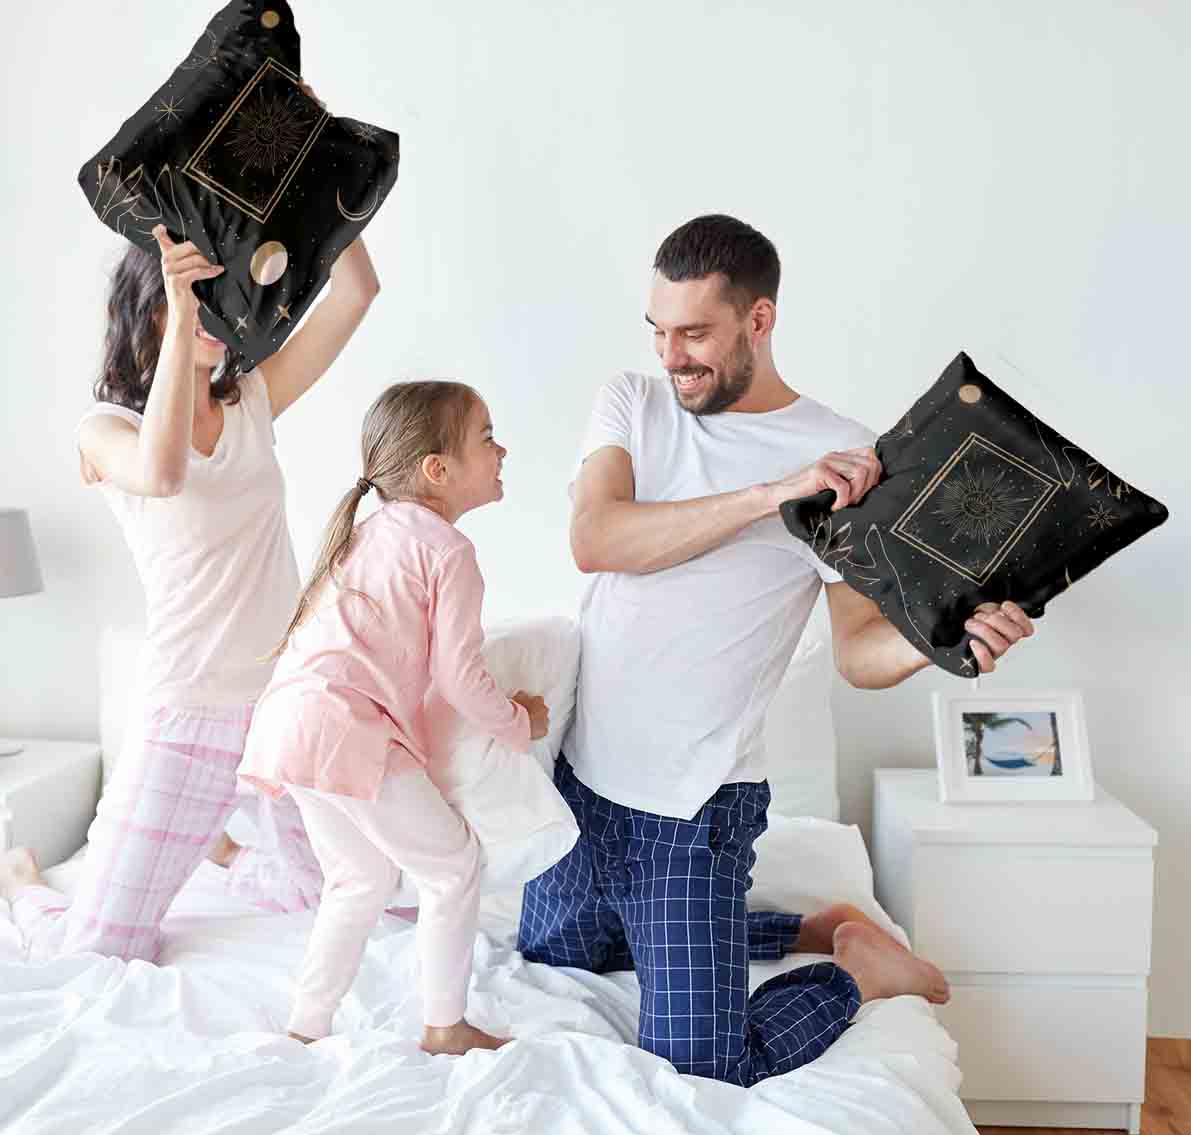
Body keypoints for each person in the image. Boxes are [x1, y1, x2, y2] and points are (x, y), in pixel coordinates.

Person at [518, 213, 1035, 1086]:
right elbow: (596, 538)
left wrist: (947, 648)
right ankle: (804, 925)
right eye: (658, 330)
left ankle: (858, 970)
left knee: (705, 1063)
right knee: (552, 947)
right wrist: (772, 497)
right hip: (587, 778)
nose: (671, 355)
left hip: (692, 811)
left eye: (694, 334)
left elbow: (858, 654)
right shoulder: (634, 401)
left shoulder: (843, 460)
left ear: (758, 321)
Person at [0, 115, 381, 955]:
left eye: (220, 298)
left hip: (282, 701)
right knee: (100, 950)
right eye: (192, 299)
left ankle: (225, 850)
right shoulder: (105, 430)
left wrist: (313, 158)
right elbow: (164, 472)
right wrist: (181, 316)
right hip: (188, 712)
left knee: (335, 894)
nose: (213, 316)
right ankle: (26, 885)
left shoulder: (252, 402)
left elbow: (357, 293)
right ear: (150, 307)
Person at [238, 381, 549, 1056]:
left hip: (289, 723)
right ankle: (444, 1026)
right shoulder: (446, 549)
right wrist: (518, 722)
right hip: (345, 729)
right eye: (487, 438)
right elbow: (459, 678)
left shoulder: (368, 534)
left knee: (360, 879)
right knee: (453, 867)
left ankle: (306, 1025)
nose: (502, 450)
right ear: (438, 469)